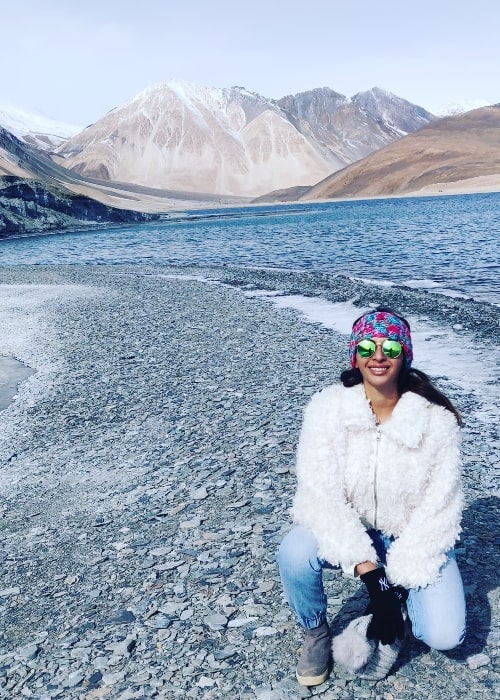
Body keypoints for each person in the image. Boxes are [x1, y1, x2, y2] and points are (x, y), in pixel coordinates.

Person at [276, 306, 466, 686]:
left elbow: (441, 509)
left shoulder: (436, 420)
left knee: (445, 636)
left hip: (410, 537)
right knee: (294, 551)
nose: (378, 356)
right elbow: (320, 496)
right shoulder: (327, 409)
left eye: (391, 348)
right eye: (368, 346)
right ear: (355, 354)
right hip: (351, 530)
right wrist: (370, 574)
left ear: (405, 355)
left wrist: (397, 579)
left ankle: (403, 602)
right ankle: (315, 631)